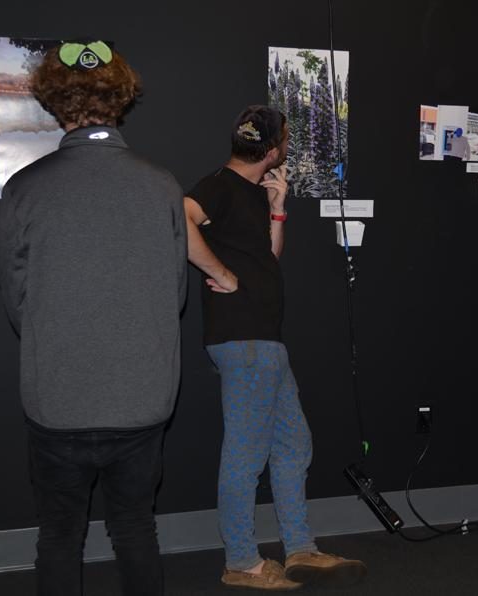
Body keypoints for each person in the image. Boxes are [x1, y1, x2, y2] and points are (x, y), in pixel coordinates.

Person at [0, 41, 186, 595]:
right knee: (135, 528)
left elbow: (16, 300)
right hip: (141, 400)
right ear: (120, 99)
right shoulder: (161, 185)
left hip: (58, 400)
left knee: (58, 535)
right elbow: (174, 295)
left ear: (56, 104)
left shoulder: (26, 189)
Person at [184, 105, 367, 591]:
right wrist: (218, 273)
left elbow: (268, 257)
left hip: (265, 340)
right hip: (243, 340)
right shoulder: (218, 185)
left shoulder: (253, 190)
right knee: (245, 456)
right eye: (285, 138)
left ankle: (300, 549)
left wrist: (279, 207)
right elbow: (179, 220)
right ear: (271, 150)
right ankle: (241, 561)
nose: (288, 143)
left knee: (293, 446)